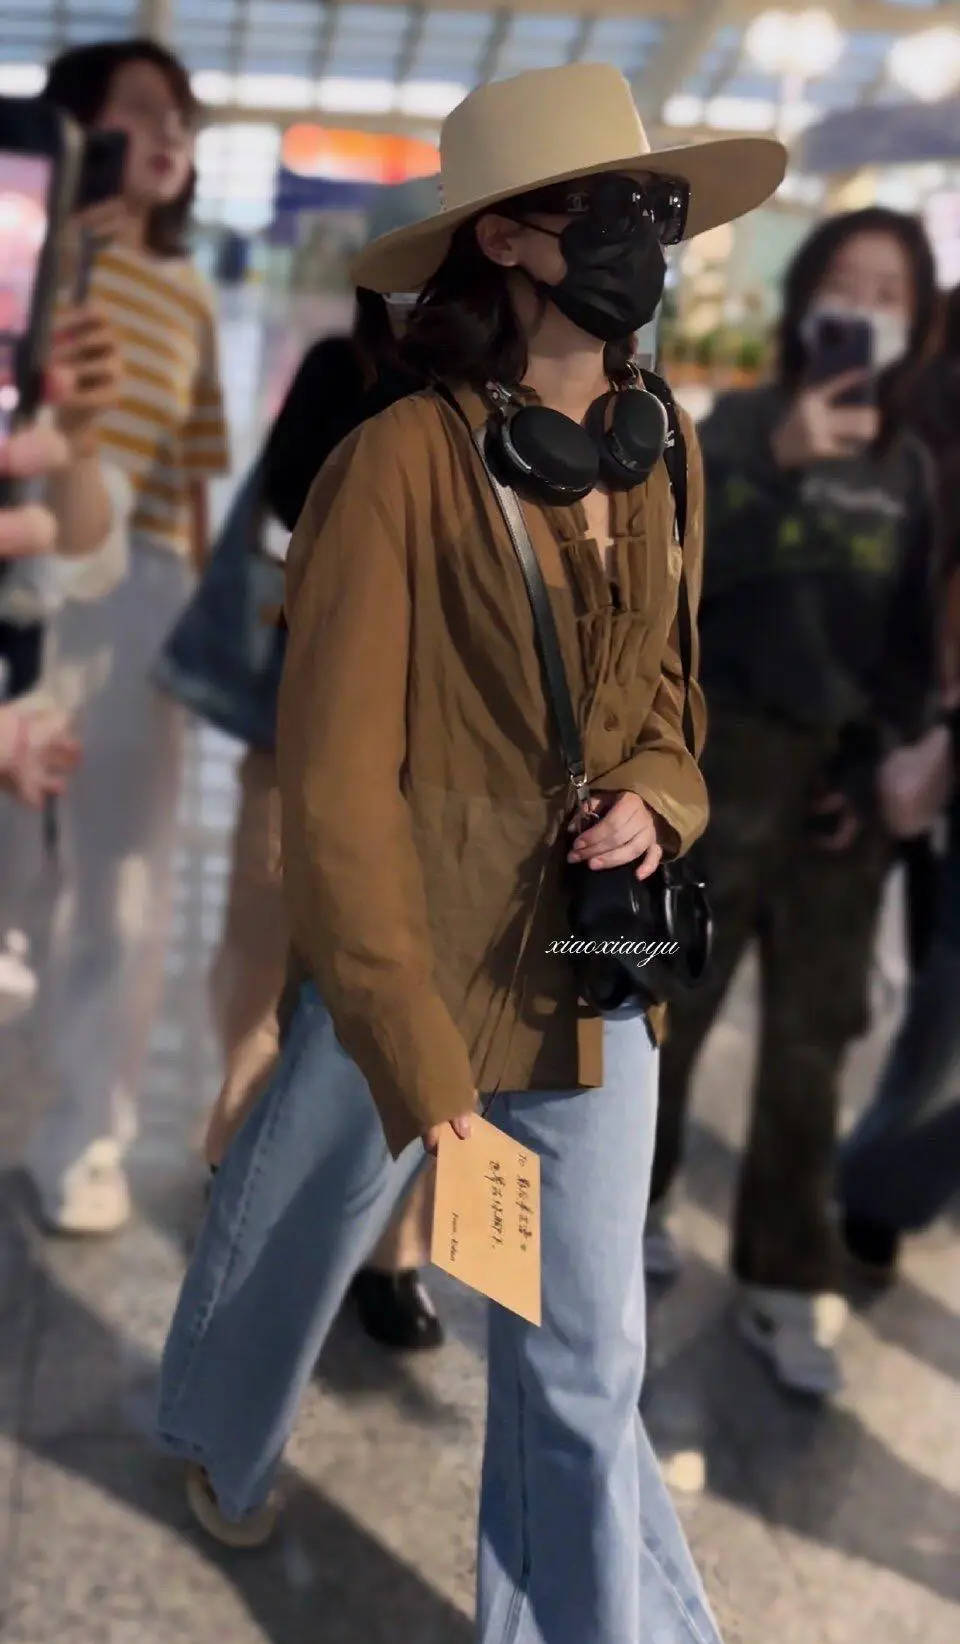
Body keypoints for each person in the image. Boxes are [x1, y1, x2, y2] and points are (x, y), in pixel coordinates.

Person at [157, 62, 785, 1639]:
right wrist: (418, 1059)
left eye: (656, 206)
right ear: (502, 237)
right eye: (607, 208)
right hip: (410, 957)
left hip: (589, 964)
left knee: (586, 1355)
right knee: (293, 1238)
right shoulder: (395, 468)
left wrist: (658, 800)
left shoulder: (668, 448)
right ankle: (219, 1441)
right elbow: (336, 792)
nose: (644, 236)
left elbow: (670, 704)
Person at [645, 208, 941, 1397]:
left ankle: (782, 1273)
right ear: (805, 297)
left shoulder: (908, 468)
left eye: (889, 294)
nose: (863, 308)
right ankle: (635, 1208)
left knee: (814, 1045)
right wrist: (777, 466)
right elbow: (678, 585)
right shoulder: (738, 429)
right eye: (845, 283)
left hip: (841, 788)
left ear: (914, 325)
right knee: (673, 1010)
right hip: (723, 765)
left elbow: (908, 641)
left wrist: (888, 760)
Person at [19, 37, 228, 1237]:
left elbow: (191, 479)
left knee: (124, 880)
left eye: (181, 119)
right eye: (141, 111)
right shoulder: (20, 251)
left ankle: (86, 1135)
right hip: (18, 572)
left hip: (136, 590)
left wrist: (195, 628)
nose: (168, 135)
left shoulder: (188, 294)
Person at [205, 292, 441, 1350]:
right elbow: (286, 502)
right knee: (267, 963)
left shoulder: (510, 386)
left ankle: (394, 1253)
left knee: (420, 1002)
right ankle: (234, 1170)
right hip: (307, 721)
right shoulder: (343, 370)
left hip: (442, 749)